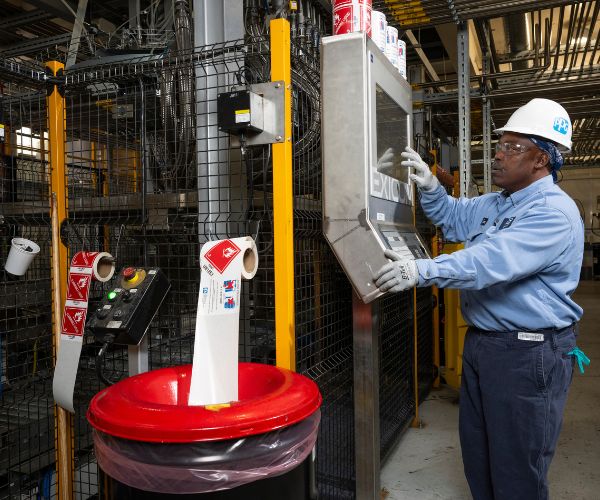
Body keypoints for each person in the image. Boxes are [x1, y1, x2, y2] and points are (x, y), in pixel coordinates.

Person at [374, 98, 590, 500]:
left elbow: (492, 261)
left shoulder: (552, 213)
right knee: (480, 454)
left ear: (542, 158)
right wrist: (431, 186)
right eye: (499, 145)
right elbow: (455, 216)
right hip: (485, 345)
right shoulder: (497, 202)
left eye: (512, 148)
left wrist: (421, 270)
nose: (499, 155)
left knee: (515, 467)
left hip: (527, 353)